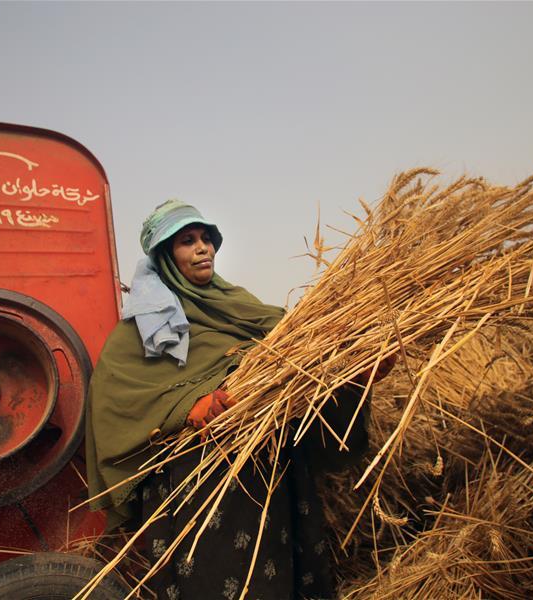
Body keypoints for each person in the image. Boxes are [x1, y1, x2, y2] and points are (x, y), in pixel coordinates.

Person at [86, 200, 389, 600]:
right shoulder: (142, 328)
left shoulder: (238, 305)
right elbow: (117, 401)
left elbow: (294, 368)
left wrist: (352, 374)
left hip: (264, 469)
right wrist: (187, 406)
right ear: (165, 256)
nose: (202, 248)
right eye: (187, 241)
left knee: (275, 571)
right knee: (215, 577)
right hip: (199, 481)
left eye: (206, 239)